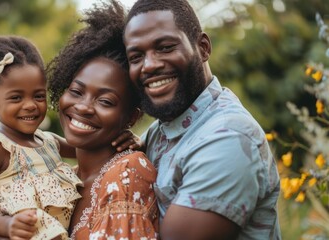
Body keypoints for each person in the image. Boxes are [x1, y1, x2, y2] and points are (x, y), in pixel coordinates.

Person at [120, 0, 282, 239]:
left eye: (165, 47)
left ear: (203, 47)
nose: (149, 65)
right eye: (136, 57)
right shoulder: (163, 130)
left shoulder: (228, 137)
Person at [46, 1, 159, 239]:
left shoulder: (128, 172)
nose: (84, 107)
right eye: (76, 91)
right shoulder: (64, 178)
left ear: (131, 116)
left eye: (105, 101)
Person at [0, 35, 83, 240]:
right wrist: (7, 225)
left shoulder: (49, 142)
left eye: (39, 96)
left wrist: (126, 141)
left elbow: (89, 150)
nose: (30, 105)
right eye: (16, 97)